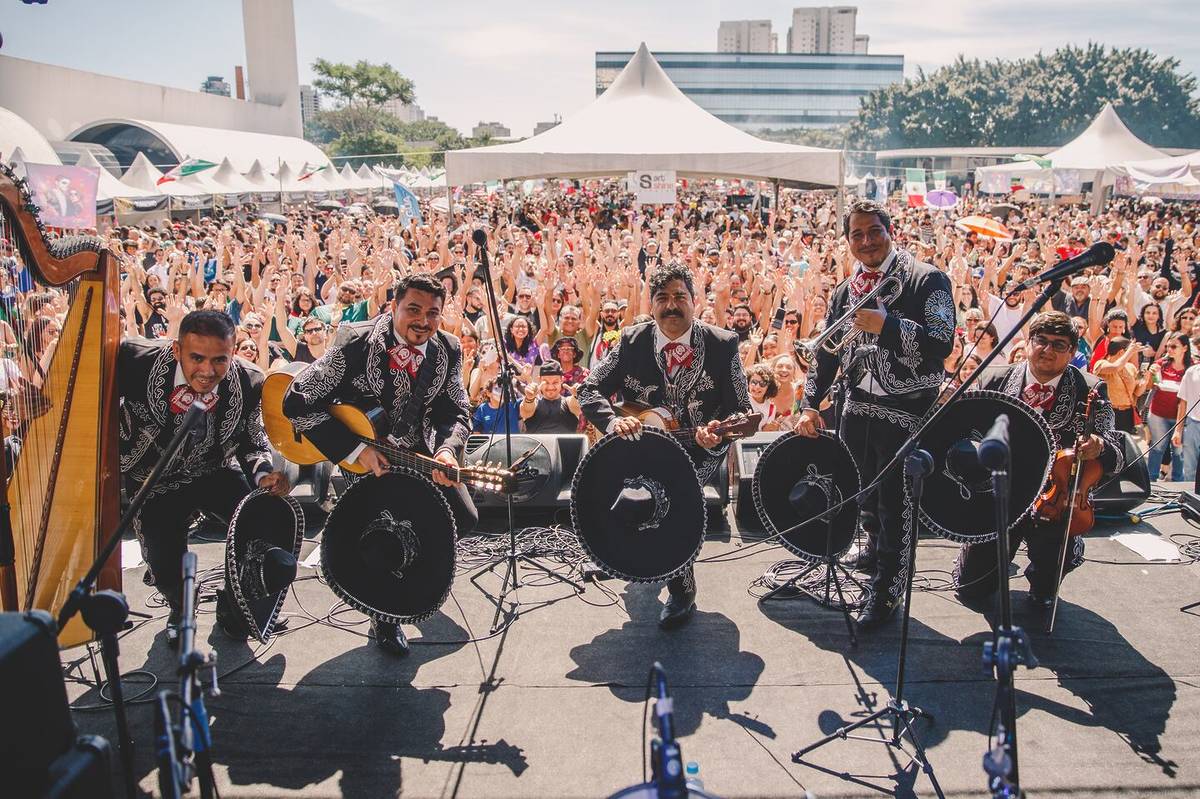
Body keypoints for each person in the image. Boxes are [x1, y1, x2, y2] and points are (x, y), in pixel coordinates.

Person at [282, 273, 476, 656]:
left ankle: (415, 571)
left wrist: (448, 450)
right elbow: (297, 401)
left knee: (464, 519)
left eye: (433, 313)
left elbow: (455, 410)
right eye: (414, 310)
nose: (423, 320)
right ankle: (385, 617)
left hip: (421, 453)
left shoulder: (449, 348)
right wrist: (355, 450)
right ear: (394, 307)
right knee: (383, 537)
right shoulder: (355, 342)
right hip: (363, 458)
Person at [795, 199, 955, 631]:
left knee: (896, 508)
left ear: (890, 231)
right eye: (857, 235)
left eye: (874, 232)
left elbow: (942, 344)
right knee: (862, 494)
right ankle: (869, 549)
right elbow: (825, 357)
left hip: (905, 412)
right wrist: (810, 403)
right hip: (855, 409)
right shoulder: (846, 289)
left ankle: (888, 589)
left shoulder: (928, 279)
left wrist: (888, 326)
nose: (866, 242)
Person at [579, 262, 753, 629]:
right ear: (651, 303)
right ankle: (618, 557)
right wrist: (612, 421)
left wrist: (719, 431)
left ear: (695, 301)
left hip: (699, 448)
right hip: (638, 442)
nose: (671, 306)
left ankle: (682, 587)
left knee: (677, 494)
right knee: (615, 492)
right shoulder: (630, 341)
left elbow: (743, 409)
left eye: (679, 297)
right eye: (662, 298)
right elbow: (588, 389)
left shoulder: (723, 345)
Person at [119, 310, 290, 646]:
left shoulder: (249, 380)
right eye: (196, 358)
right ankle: (181, 605)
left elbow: (253, 441)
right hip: (152, 480)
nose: (208, 371)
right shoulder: (132, 361)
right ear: (176, 349)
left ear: (233, 352)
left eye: (219, 360)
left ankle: (234, 607)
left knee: (257, 520)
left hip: (213, 471)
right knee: (165, 562)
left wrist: (264, 475)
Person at [955, 311, 1124, 608]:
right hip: (1001, 492)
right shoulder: (995, 377)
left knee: (1045, 590)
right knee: (972, 590)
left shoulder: (1092, 389)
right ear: (1028, 342)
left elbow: (1116, 450)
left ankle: (1048, 575)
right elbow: (970, 434)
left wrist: (1099, 445)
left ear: (1073, 352)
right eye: (1041, 341)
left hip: (1057, 500)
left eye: (1059, 345)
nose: (1047, 350)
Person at [1147, 332, 1190, 481]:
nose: (1169, 350)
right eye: (1167, 347)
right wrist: (1150, 375)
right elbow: (1152, 385)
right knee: (1157, 447)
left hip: (1182, 416)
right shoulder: (1160, 364)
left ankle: (1178, 482)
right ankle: (1150, 480)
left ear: (1185, 348)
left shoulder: (1192, 368)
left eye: (1173, 346)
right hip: (1159, 413)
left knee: (1178, 451)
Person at [520, 361, 583, 433]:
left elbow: (576, 406)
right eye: (546, 382)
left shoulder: (568, 403)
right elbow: (526, 411)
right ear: (539, 380)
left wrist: (576, 395)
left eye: (555, 382)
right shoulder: (534, 403)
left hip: (564, 444)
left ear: (562, 380)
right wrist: (529, 398)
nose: (550, 387)